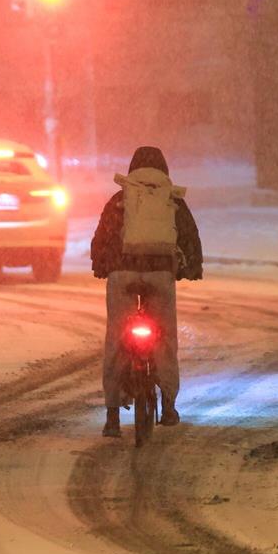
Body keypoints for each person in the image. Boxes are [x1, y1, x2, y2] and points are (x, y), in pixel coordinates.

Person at [91, 146, 203, 438]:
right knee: (165, 339)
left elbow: (101, 239)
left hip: (123, 273)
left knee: (116, 340)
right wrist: (191, 269)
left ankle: (113, 417)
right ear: (164, 170)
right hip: (159, 274)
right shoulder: (172, 199)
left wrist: (103, 266)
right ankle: (167, 406)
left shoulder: (120, 199)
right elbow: (190, 238)